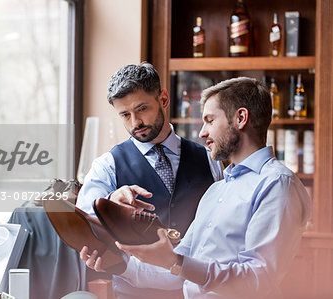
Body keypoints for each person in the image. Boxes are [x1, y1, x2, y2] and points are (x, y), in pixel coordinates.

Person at [81, 77, 312, 298]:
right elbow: (179, 272)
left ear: (241, 118)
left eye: (210, 120)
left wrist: (177, 263)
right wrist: (119, 265)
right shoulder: (215, 192)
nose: (202, 132)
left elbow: (258, 280)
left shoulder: (277, 184)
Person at [76, 62, 223, 298]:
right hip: (135, 293)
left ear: (163, 99)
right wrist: (112, 200)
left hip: (198, 291)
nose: (135, 123)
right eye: (125, 114)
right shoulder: (107, 166)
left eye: (142, 108)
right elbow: (85, 224)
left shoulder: (209, 159)